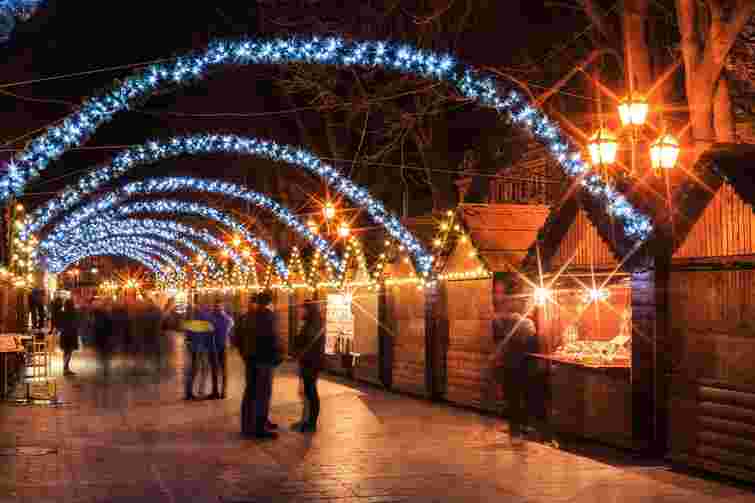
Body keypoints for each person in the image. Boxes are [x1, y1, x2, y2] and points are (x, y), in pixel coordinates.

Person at [491, 295, 537, 442]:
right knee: (524, 395)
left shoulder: (500, 321)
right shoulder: (527, 324)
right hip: (523, 365)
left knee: (512, 398)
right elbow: (532, 340)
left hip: (508, 365)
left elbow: (498, 342)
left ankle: (514, 428)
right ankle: (523, 426)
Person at [251, 291, 282, 439]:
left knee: (260, 393)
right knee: (264, 394)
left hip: (257, 359)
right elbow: (273, 338)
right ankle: (260, 428)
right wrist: (278, 355)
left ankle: (261, 422)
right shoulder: (268, 316)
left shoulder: (255, 315)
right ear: (269, 302)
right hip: (266, 359)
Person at [291, 300, 325, 432]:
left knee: (311, 392)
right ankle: (306, 421)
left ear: (308, 310)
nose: (300, 311)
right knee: (308, 391)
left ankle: (311, 423)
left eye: (302, 309)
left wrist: (298, 338)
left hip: (311, 362)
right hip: (308, 361)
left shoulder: (313, 324)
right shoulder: (311, 322)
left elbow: (305, 339)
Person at [182, 302, 214, 400]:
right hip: (202, 347)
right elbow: (210, 332)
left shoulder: (190, 319)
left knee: (193, 369)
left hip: (193, 347)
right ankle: (201, 391)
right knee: (204, 369)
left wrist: (189, 343)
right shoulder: (206, 317)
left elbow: (187, 334)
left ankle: (188, 392)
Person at [236, 295, 258, 436]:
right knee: (252, 390)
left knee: (254, 390)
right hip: (252, 358)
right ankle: (248, 424)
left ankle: (256, 420)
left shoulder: (248, 318)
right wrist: (244, 353)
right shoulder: (248, 319)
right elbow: (238, 338)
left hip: (251, 357)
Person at [208, 299, 233, 400]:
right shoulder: (227, 319)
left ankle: (222, 391)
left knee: (222, 369)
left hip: (221, 346)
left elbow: (227, 330)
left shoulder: (225, 319)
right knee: (217, 369)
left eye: (219, 306)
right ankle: (217, 391)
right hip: (216, 346)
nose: (217, 308)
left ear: (222, 307)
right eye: (216, 306)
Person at [59, 298, 79, 376]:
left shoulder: (62, 313)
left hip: (64, 334)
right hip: (71, 334)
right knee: (69, 351)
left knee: (65, 351)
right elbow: (76, 323)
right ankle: (65, 368)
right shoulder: (74, 313)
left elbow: (60, 324)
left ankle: (66, 368)